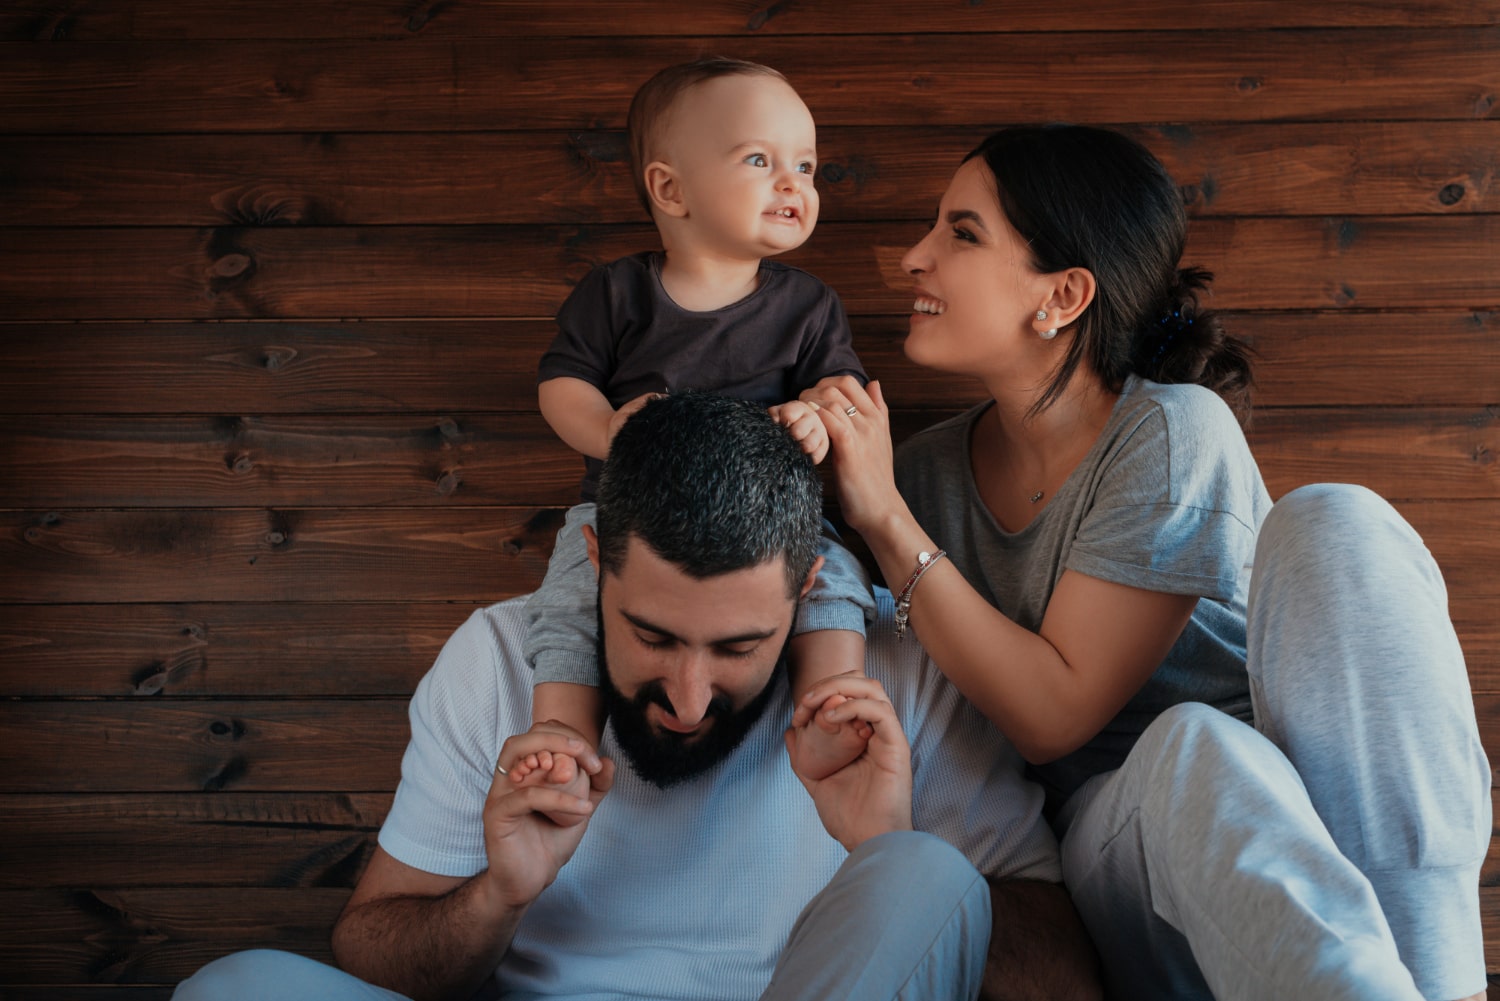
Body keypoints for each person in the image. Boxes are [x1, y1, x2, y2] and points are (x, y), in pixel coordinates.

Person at [805, 124, 1491, 1000]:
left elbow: (1055, 700)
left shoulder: (1169, 429)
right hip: (1128, 853)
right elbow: (1053, 730)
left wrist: (887, 520)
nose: (912, 258)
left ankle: (1437, 980)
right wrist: (872, 502)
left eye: (960, 233)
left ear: (1062, 294)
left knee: (1335, 518)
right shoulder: (920, 476)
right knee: (1191, 747)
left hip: (1319, 824)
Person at [172, 392, 1101, 1001]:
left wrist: (879, 848)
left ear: (809, 585)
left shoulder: (891, 670)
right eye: (652, 635)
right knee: (232, 987)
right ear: (593, 566)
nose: (691, 699)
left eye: (738, 646)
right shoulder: (500, 657)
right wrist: (498, 895)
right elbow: (370, 945)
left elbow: (1066, 981)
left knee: (924, 876)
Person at [523, 56, 874, 795]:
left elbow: (841, 391)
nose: (794, 183)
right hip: (628, 515)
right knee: (567, 596)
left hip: (774, 526)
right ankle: (560, 727)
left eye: (806, 166)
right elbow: (562, 385)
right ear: (669, 187)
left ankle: (834, 697)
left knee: (836, 573)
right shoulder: (618, 294)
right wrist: (608, 429)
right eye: (760, 159)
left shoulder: (808, 306)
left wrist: (814, 414)